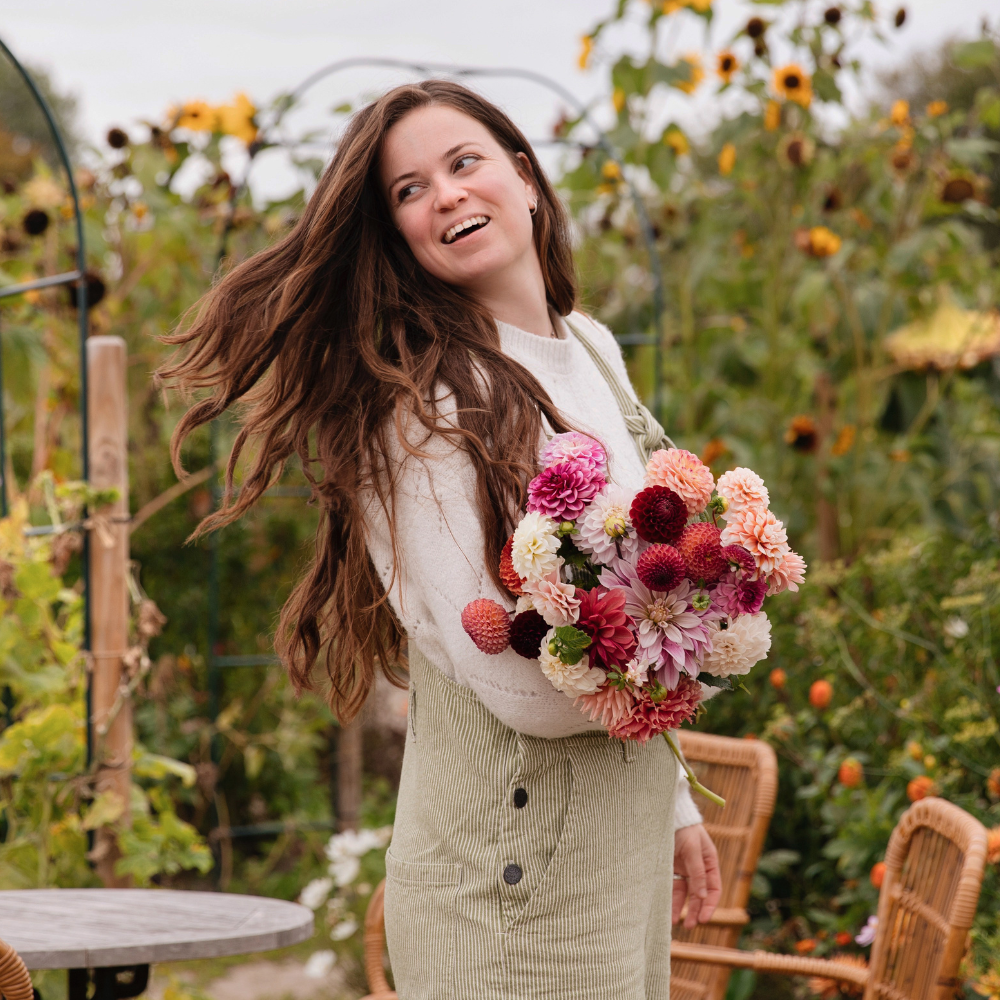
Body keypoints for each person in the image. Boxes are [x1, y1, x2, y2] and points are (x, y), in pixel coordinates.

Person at [162, 79, 721, 1000]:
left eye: (464, 163)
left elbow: (622, 606)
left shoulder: (590, 348)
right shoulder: (425, 408)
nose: (447, 194)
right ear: (400, 239)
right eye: (410, 190)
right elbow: (518, 686)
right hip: (509, 879)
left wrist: (669, 806)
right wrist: (689, 656)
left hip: (610, 859)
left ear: (528, 179)